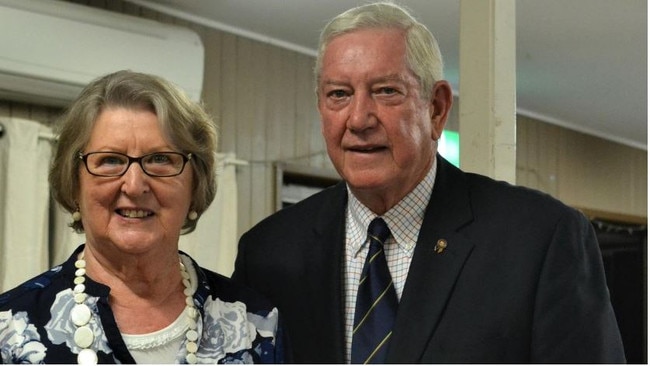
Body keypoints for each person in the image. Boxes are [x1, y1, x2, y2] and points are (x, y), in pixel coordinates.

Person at [232, 1, 625, 363]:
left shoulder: (540, 238)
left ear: (436, 108)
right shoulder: (268, 254)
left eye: (386, 91)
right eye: (339, 94)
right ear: (321, 108)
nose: (358, 119)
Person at [0, 70, 284, 364]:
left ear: (195, 185)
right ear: (74, 186)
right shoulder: (9, 332)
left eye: (160, 159)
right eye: (110, 160)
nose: (134, 186)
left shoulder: (256, 324)